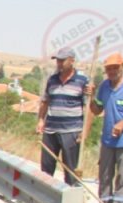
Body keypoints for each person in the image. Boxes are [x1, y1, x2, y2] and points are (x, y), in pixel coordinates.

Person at [37, 46, 92, 186]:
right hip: (50, 130)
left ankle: (70, 199)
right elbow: (45, 101)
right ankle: (45, 196)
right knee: (46, 167)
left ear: (72, 61)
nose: (59, 63)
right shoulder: (52, 80)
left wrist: (84, 132)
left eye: (62, 60)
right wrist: (40, 121)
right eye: (58, 60)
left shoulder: (82, 80)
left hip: (71, 131)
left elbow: (88, 107)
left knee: (70, 169)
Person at [90, 52, 123, 203]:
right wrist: (91, 96)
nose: (112, 71)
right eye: (109, 69)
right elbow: (97, 109)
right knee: (105, 174)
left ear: (122, 67)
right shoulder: (104, 86)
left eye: (115, 67)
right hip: (107, 139)